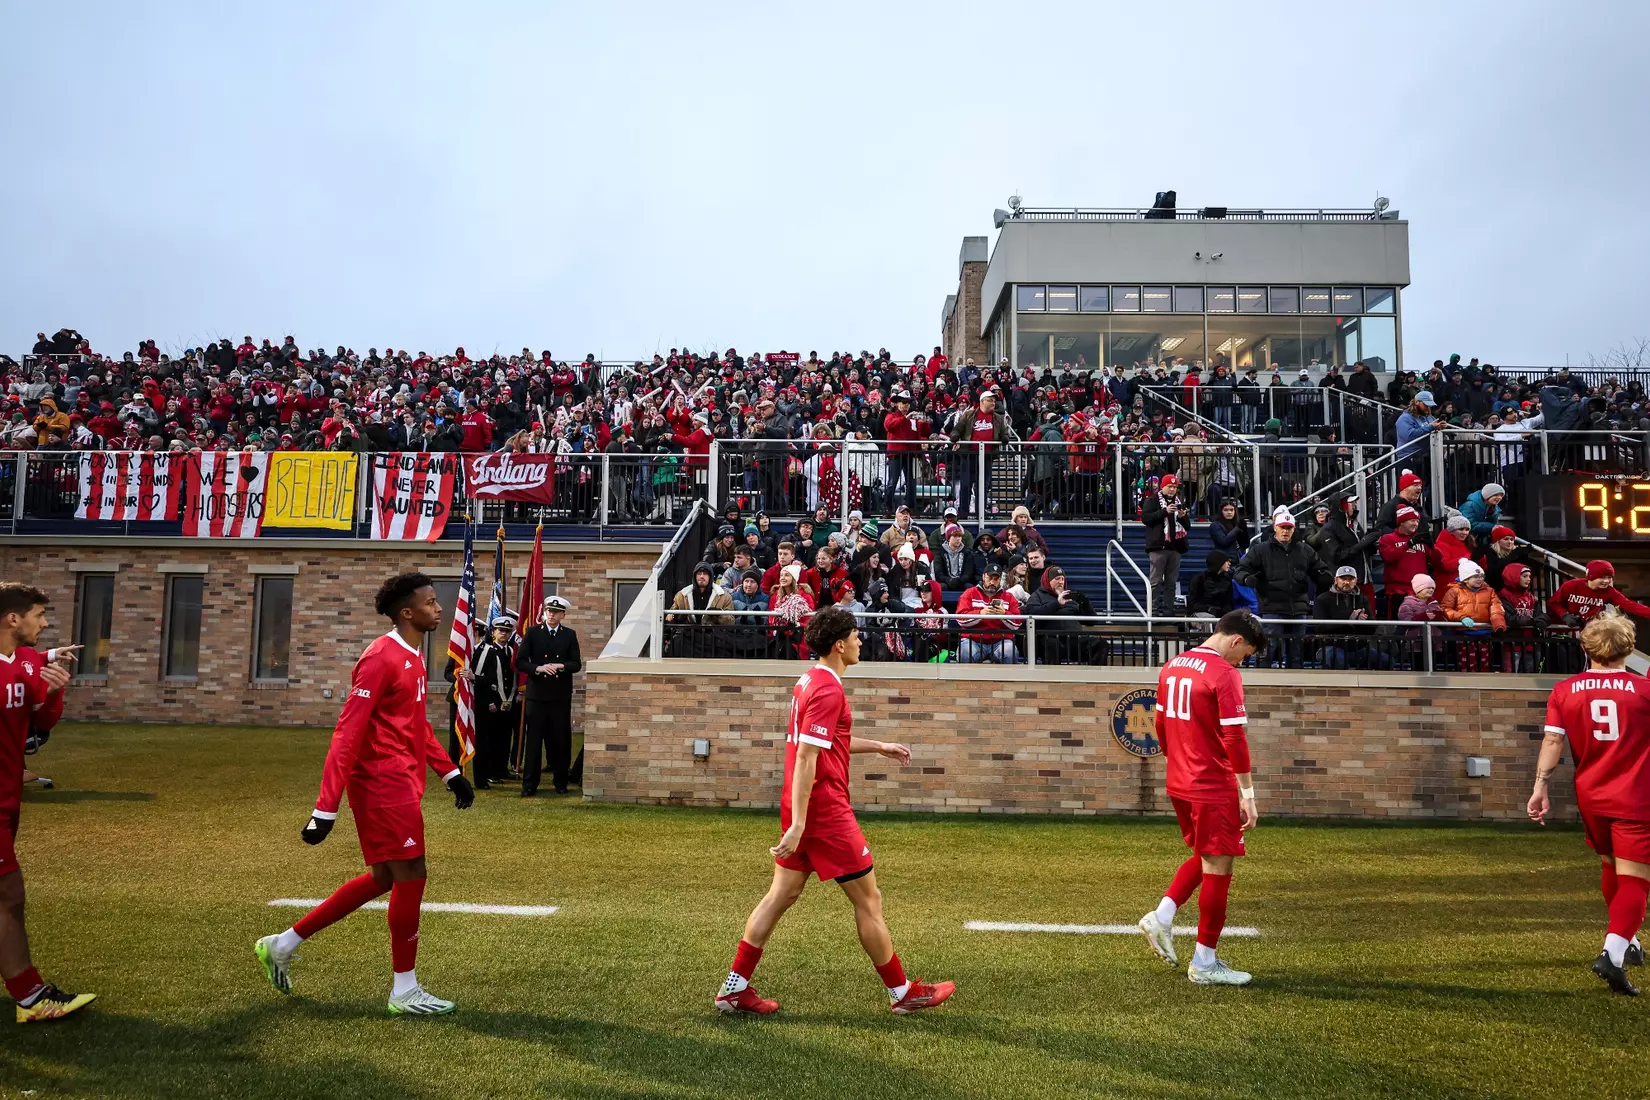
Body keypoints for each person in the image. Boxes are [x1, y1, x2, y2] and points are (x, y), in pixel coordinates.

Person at [714, 608, 954, 1016]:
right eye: (856, 635)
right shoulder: (828, 690)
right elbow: (807, 756)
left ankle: (733, 990)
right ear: (840, 645)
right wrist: (801, 825)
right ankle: (902, 992)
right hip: (823, 812)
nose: (861, 641)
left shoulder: (810, 680)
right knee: (869, 900)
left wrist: (879, 746)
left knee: (781, 895)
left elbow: (826, 741)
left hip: (801, 806)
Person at [254, 572, 474, 1016]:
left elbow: (412, 723)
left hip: (400, 780)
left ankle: (283, 944)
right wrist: (325, 809)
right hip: (380, 784)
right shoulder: (380, 657)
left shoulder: (413, 654)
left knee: (384, 878)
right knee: (411, 874)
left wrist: (449, 772)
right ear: (407, 613)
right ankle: (404, 990)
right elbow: (347, 733)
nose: (439, 609)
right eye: (430, 603)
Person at [1137, 609, 1268, 986]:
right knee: (1219, 867)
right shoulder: (1224, 673)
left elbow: (1160, 724)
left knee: (1207, 854)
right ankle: (1205, 963)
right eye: (1245, 655)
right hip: (1211, 784)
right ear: (1236, 640)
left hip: (1180, 780)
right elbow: (1234, 738)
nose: (1242, 662)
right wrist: (1248, 794)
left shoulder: (1173, 664)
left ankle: (1162, 917)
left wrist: (1178, 762)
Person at [1528, 613, 1650, 995]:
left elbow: (1552, 742)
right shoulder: (1645, 690)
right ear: (1629, 647)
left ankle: (1628, 941)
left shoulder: (1565, 690)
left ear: (1586, 647)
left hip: (1592, 796)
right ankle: (1612, 954)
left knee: (1611, 865)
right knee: (1636, 880)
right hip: (1637, 797)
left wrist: (1540, 788)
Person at [0, 583, 91, 1023]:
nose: (45, 621)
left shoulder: (23, 660)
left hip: (8, 800)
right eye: (38, 614)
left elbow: (40, 723)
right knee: (8, 896)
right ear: (13, 618)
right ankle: (31, 996)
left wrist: (54, 692)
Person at [516, 595, 582, 796]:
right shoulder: (533, 632)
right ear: (544, 613)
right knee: (534, 742)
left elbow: (576, 664)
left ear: (563, 615)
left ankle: (560, 782)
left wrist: (560, 665)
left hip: (559, 696)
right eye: (549, 611)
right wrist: (539, 668)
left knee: (560, 740)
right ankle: (529, 785)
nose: (551, 615)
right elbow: (520, 661)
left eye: (556, 612)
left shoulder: (569, 635)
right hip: (537, 695)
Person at [469, 615, 520, 786]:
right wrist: (490, 701)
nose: (504, 634)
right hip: (494, 700)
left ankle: (501, 769)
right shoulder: (489, 652)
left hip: (509, 700)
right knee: (491, 738)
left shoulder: (511, 651)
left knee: (505, 737)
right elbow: (488, 679)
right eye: (501, 630)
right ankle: (490, 771)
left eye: (507, 631)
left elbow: (513, 676)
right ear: (493, 632)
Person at [1143, 473, 1190, 614]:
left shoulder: (1179, 502)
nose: (1172, 490)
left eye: (1175, 487)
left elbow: (1187, 527)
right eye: (1170, 486)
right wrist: (1164, 512)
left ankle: (1168, 611)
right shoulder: (1152, 500)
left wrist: (1183, 517)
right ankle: (1152, 611)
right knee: (1155, 581)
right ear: (1162, 486)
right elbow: (1146, 519)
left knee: (1171, 582)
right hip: (1158, 547)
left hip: (1175, 547)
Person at [1549, 561, 1650, 627]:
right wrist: (1564, 615)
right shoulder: (1571, 585)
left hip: (1589, 630)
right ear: (1591, 577)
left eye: (1609, 577)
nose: (1606, 581)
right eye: (1602, 577)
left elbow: (1629, 605)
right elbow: (1553, 603)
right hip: (1563, 627)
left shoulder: (1609, 591)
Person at [955, 565, 1023, 664]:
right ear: (983, 577)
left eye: (996, 579)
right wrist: (980, 614)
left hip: (1001, 641)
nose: (992, 582)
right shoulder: (969, 593)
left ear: (1000, 580)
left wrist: (1004, 615)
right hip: (973, 640)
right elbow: (960, 619)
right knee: (965, 653)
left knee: (1009, 652)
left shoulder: (1009, 597)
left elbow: (1017, 624)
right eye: (989, 578)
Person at [1187, 551, 1236, 619]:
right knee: (1210, 618)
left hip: (1221, 615)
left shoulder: (1227, 580)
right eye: (1227, 561)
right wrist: (1209, 608)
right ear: (1219, 562)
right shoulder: (1199, 578)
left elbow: (1229, 603)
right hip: (1200, 613)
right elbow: (1192, 604)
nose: (1229, 563)